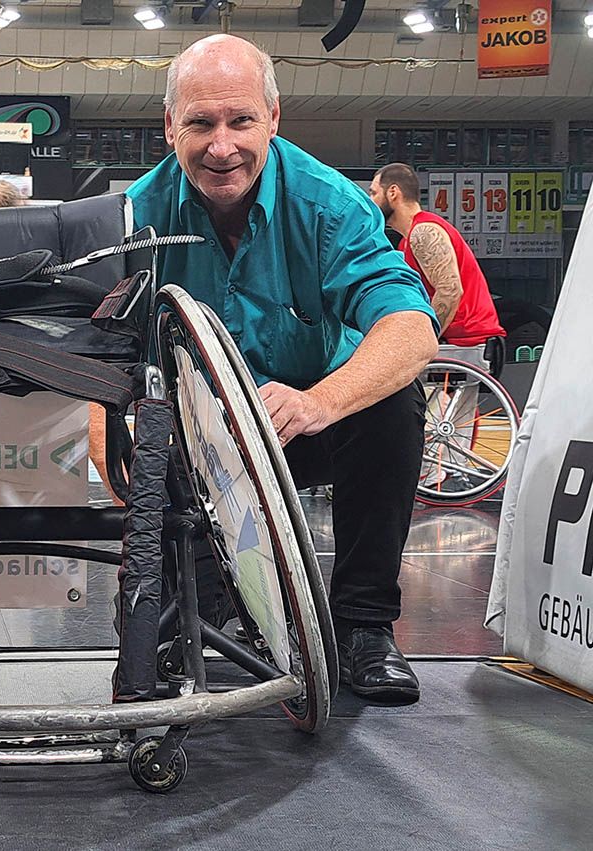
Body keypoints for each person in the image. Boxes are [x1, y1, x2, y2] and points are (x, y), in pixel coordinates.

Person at [125, 35, 439, 702]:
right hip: (197, 448)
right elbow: (100, 360)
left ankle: (362, 626)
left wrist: (318, 402)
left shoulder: (331, 206)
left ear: (273, 118)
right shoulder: (135, 219)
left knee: (393, 401)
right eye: (200, 123)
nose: (222, 146)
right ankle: (202, 599)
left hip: (305, 428)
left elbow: (412, 330)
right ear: (168, 126)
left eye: (240, 121)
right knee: (184, 644)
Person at [369, 163, 506, 363]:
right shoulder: (406, 241)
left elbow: (450, 290)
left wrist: (422, 342)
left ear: (393, 192)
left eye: (373, 193)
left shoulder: (423, 232)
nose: (370, 201)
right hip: (458, 344)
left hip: (463, 345)